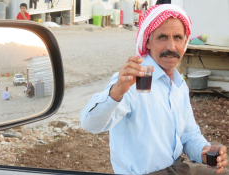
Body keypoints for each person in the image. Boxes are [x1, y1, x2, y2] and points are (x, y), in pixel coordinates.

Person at [81, 4, 228, 175]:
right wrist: (116, 91)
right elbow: (90, 124)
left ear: (185, 42)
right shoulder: (134, 79)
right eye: (162, 37)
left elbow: (188, 135)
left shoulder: (178, 83)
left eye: (178, 38)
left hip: (177, 168)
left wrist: (205, 151)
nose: (171, 47)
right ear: (148, 42)